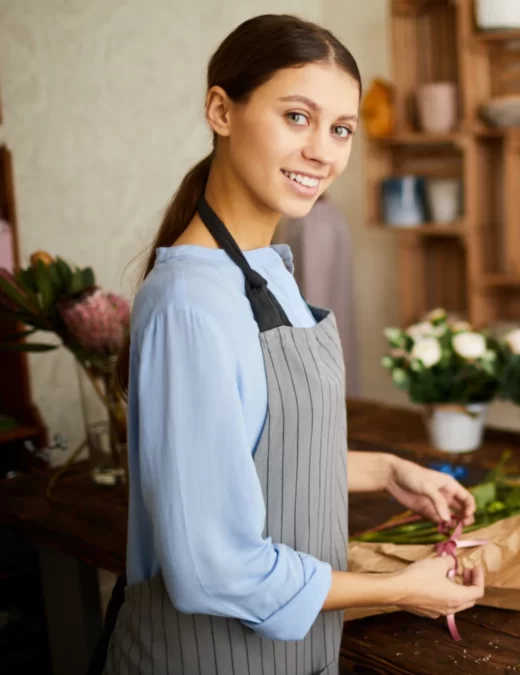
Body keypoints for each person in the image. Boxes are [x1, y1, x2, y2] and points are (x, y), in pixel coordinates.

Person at [94, 15, 483, 675]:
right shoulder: (190, 302)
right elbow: (213, 568)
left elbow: (262, 455)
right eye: (297, 117)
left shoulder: (268, 265)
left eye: (340, 130)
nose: (323, 152)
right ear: (221, 109)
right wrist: (399, 587)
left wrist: (386, 469)